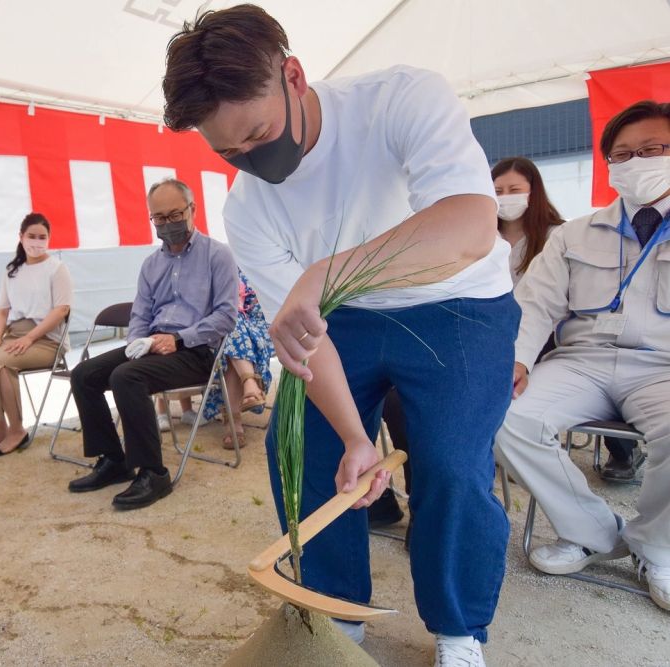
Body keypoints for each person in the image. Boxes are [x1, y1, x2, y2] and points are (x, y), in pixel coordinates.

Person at [163, 6, 518, 665]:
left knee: (449, 463)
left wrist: (327, 272)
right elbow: (301, 342)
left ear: (293, 76)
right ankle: (335, 612)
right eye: (226, 150)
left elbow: (471, 225)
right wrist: (357, 438)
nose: (251, 159)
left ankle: (460, 629)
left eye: (258, 133)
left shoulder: (401, 100)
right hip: (343, 316)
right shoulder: (247, 204)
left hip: (460, 302)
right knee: (301, 449)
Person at [494, 100, 670, 613]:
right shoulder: (576, 233)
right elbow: (536, 303)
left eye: (653, 149)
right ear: (610, 165)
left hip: (662, 366)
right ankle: (594, 533)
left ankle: (656, 547)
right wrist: (517, 361)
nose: (636, 161)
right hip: (582, 362)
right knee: (503, 416)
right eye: (623, 154)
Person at [368, 157, 578, 528]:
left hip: (531, 348)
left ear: (536, 192)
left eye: (515, 190)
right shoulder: (469, 236)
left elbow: (548, 312)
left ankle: (446, 510)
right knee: (396, 398)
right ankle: (414, 502)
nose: (505, 198)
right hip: (467, 339)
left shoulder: (559, 238)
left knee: (448, 409)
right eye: (497, 191)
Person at [67, 178, 237, 510]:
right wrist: (136, 344)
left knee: (126, 377)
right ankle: (114, 460)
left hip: (197, 351)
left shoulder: (218, 255)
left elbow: (226, 316)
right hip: (152, 346)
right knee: (84, 374)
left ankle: (153, 472)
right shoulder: (151, 265)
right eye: (159, 218)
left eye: (174, 214)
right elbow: (140, 316)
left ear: (192, 210)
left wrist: (178, 339)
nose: (168, 223)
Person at [0, 213, 72, 457]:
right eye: (31, 236)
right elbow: (2, 311)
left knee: (1, 366)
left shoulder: (57, 268)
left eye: (42, 237)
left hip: (47, 340)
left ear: (49, 239)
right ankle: (1, 428)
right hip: (14, 335)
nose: (37, 241)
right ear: (21, 237)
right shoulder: (12, 270)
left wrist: (30, 338)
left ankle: (17, 430)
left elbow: (61, 310)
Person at [203, 269, 274, 449]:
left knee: (230, 340)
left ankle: (233, 423)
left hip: (261, 328)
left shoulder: (268, 266)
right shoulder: (224, 267)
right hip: (223, 330)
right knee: (231, 325)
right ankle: (250, 384)